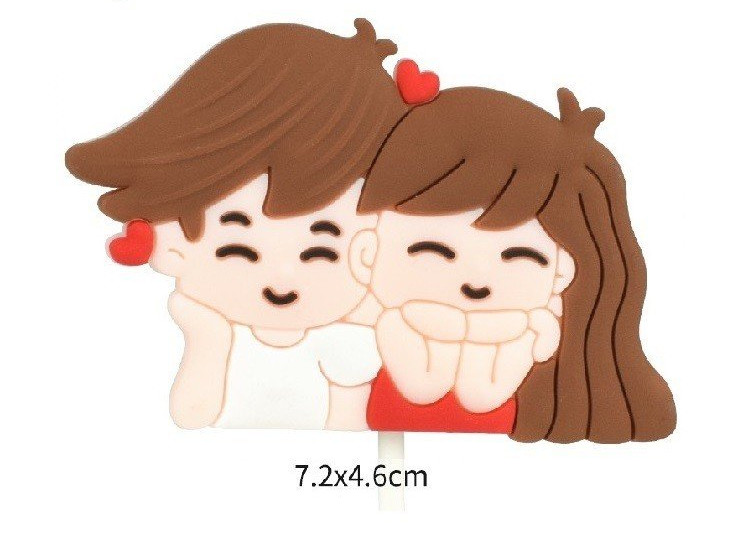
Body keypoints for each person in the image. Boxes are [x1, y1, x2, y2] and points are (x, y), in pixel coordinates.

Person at [65, 19, 408, 430]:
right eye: (237, 249)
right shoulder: (211, 327)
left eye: (320, 251)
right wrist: (206, 337)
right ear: (173, 244)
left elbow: (354, 389)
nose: (283, 278)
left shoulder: (349, 332)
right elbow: (193, 412)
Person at [358, 86, 676, 443]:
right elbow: (418, 385)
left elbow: (484, 395)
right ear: (366, 251)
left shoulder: (533, 336)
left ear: (562, 271)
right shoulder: (389, 326)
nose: (475, 282)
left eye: (521, 256)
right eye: (433, 250)